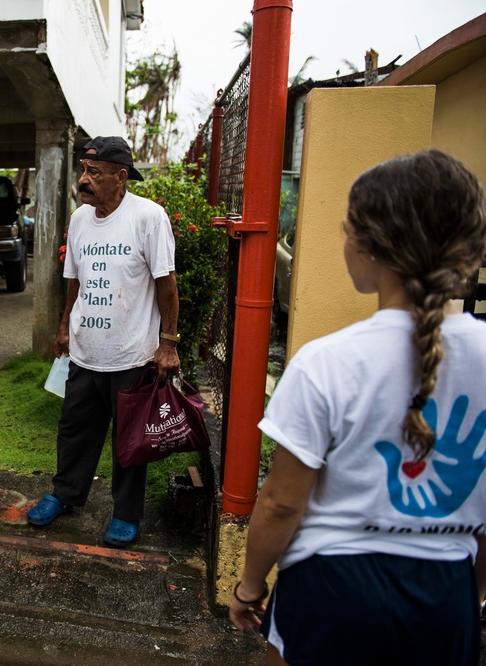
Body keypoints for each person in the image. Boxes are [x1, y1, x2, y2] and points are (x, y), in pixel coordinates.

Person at [229, 150, 486, 665]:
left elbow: (281, 502)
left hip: (332, 589)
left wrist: (249, 586)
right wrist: (470, 595)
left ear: (368, 245)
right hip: (446, 595)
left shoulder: (326, 362)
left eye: (347, 227)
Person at [26, 136, 181, 548]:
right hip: (86, 351)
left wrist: (168, 343)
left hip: (132, 355)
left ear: (121, 176)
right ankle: (66, 495)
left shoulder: (148, 217)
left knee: (129, 442)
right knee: (74, 430)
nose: (84, 179)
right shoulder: (80, 220)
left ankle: (127, 514)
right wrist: (64, 327)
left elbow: (167, 284)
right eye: (83, 171)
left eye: (94, 173)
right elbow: (75, 281)